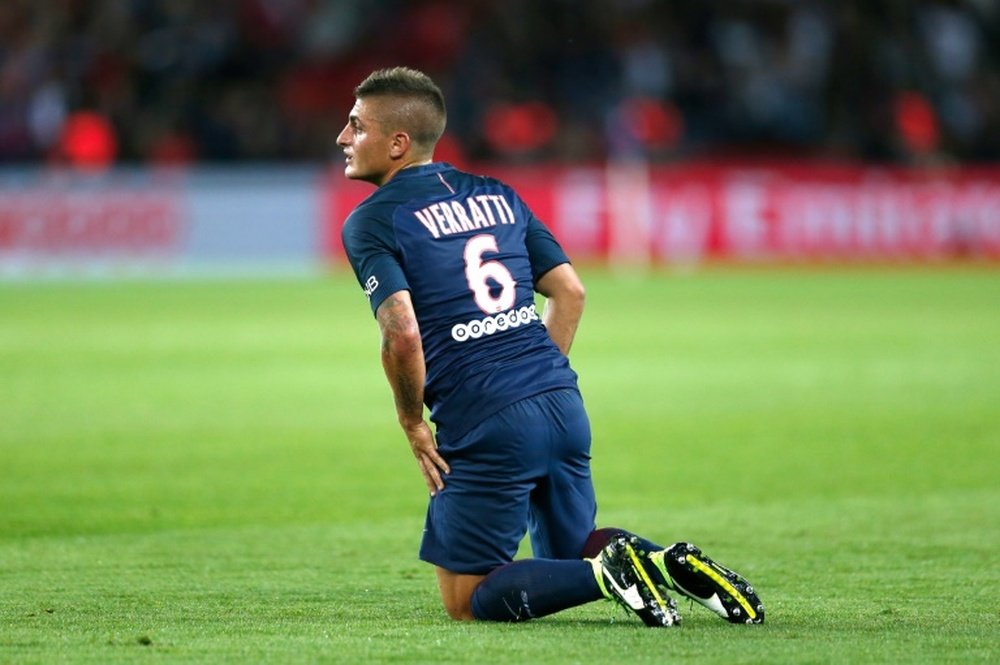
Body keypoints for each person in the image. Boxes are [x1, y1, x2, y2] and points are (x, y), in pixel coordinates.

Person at [338, 66, 764, 627]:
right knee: (566, 555)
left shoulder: (372, 221)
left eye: (356, 125)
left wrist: (413, 422)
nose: (343, 138)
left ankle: (607, 574)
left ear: (397, 143)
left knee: (467, 601)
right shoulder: (498, 194)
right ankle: (663, 561)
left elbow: (402, 332)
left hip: (487, 419)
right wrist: (534, 379)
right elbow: (570, 292)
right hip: (560, 401)